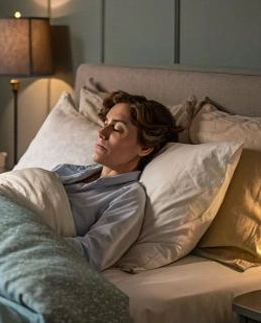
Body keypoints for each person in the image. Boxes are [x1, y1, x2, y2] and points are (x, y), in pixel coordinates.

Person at [52, 90, 183, 272]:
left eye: (117, 129)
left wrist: (29, 239)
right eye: (106, 123)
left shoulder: (128, 198)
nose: (101, 132)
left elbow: (91, 254)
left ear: (145, 147)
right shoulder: (66, 171)